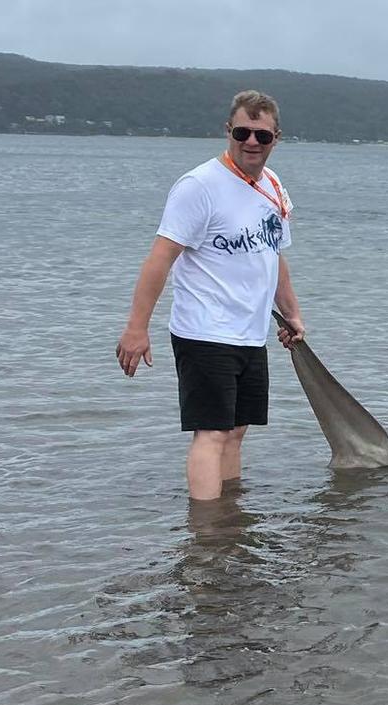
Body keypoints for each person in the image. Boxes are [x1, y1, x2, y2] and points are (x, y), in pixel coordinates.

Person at [116, 90, 304, 501]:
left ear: (276, 138)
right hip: (204, 331)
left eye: (262, 135)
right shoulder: (198, 186)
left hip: (250, 332)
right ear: (228, 131)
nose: (251, 142)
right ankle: (205, 535)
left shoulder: (271, 186)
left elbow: (274, 256)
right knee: (212, 433)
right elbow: (159, 260)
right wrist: (136, 329)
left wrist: (291, 314)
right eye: (243, 132)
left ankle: (229, 520)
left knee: (236, 432)